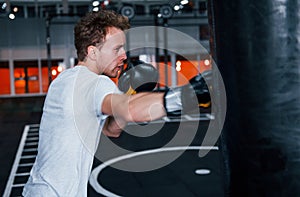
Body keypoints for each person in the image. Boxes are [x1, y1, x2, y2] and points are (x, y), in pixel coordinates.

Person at [22, 10, 210, 196]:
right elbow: (129, 111)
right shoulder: (91, 82)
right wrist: (188, 94)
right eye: (116, 49)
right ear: (93, 52)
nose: (124, 56)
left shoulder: (66, 81)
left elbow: (111, 129)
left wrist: (128, 92)